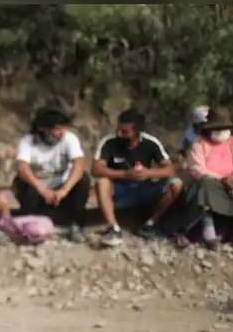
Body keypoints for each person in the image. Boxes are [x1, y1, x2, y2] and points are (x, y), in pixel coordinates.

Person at [92, 109, 176, 246]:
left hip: (146, 188)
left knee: (175, 184)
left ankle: (150, 223)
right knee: (101, 181)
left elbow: (170, 169)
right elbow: (96, 169)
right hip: (120, 190)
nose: (119, 134)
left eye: (124, 132)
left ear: (137, 132)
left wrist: (148, 173)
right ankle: (113, 227)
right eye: (118, 129)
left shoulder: (151, 143)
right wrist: (125, 174)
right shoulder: (109, 142)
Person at [12, 105, 91, 242]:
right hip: (38, 190)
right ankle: (34, 222)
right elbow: (22, 167)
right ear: (43, 129)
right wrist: (42, 190)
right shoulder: (27, 142)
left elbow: (79, 163)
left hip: (62, 189)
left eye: (64, 128)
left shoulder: (69, 139)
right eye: (57, 129)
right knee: (21, 182)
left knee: (83, 179)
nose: (62, 132)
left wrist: (64, 190)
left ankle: (76, 225)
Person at [185, 108, 233, 248]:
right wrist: (221, 179)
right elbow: (197, 168)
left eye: (225, 128)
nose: (222, 130)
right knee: (206, 186)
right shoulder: (199, 144)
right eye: (217, 128)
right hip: (211, 181)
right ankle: (209, 234)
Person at [137, 105, 209, 239]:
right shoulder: (190, 134)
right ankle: (152, 221)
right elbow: (181, 153)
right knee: (175, 185)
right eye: (202, 124)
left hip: (207, 171)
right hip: (189, 170)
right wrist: (183, 162)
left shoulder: (213, 136)